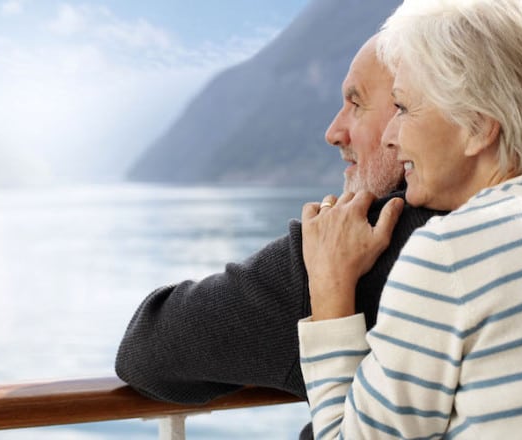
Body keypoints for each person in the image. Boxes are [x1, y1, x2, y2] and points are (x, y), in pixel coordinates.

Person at [115, 35, 447, 439]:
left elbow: (149, 349)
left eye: (356, 104)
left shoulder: (355, 249)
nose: (332, 132)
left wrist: (318, 278)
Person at [299, 0, 522, 438]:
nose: (391, 138)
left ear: (476, 124)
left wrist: (329, 285)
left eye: (402, 108)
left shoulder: (450, 256)